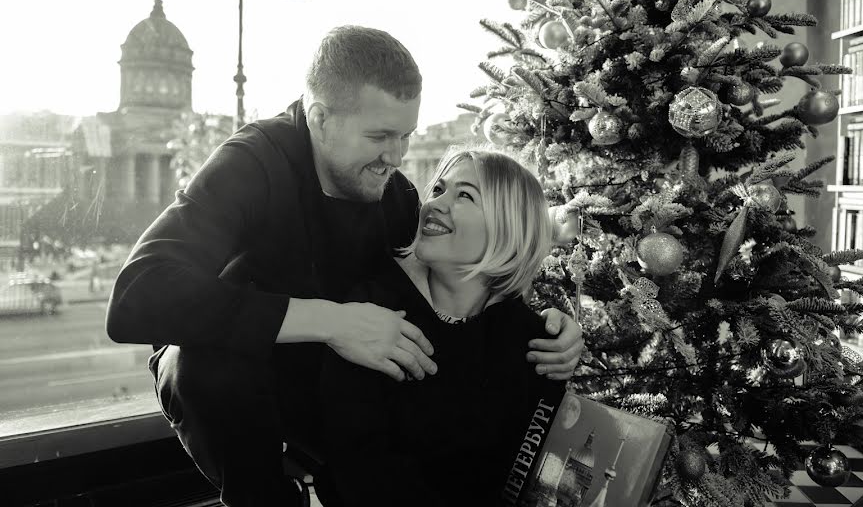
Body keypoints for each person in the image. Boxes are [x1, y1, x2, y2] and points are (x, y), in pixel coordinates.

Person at [105, 25, 583, 507]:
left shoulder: (392, 193)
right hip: (227, 372)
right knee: (203, 366)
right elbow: (137, 296)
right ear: (320, 119)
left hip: (333, 389)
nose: (395, 158)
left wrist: (545, 323)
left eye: (405, 137)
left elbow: (465, 268)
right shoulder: (252, 165)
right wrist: (334, 322)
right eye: (379, 136)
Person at [320, 146, 567, 506]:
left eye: (464, 195)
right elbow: (357, 461)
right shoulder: (374, 306)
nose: (434, 203)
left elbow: (536, 469)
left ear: (509, 226)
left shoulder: (533, 341)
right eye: (438, 189)